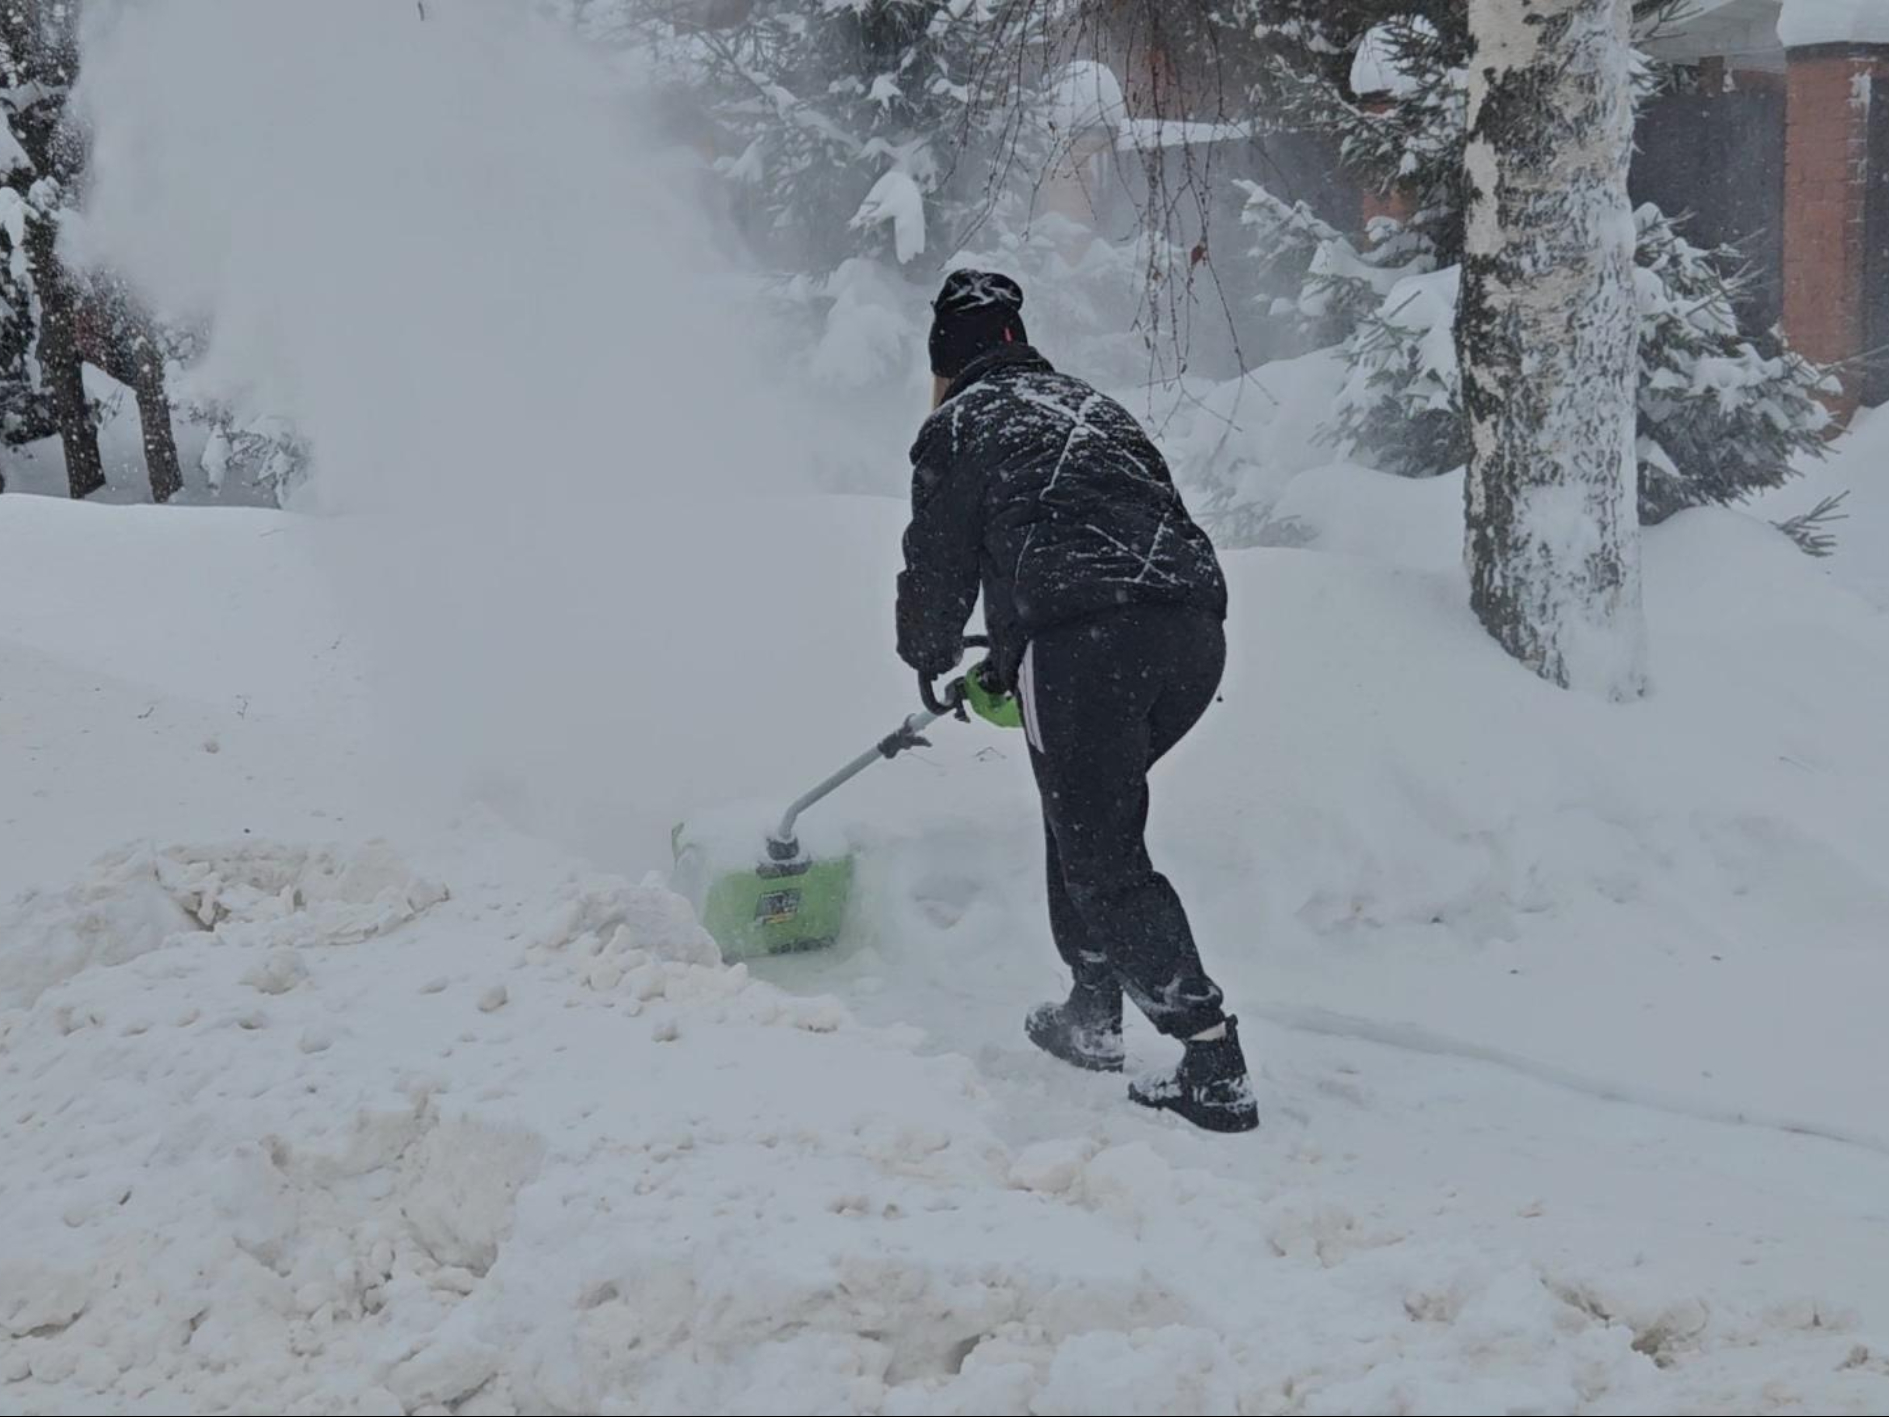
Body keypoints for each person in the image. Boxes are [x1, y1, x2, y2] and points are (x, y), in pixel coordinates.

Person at [895, 269, 1257, 1135]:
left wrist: (930, 654)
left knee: (1098, 848)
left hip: (1090, 643)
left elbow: (938, 561)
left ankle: (1212, 1058)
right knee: (1081, 812)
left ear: (948, 359)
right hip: (1191, 638)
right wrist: (1015, 653)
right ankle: (1091, 1007)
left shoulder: (959, 423)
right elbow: (1095, 528)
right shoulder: (1091, 408)